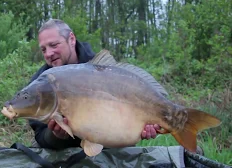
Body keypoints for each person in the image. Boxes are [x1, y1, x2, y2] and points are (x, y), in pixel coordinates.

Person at [28, 19, 161, 150]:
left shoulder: (101, 70)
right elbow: (41, 137)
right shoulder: (40, 86)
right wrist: (55, 135)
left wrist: (141, 128)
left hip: (107, 143)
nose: (49, 53)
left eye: (54, 45)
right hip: (64, 151)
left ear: (72, 39)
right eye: (43, 49)